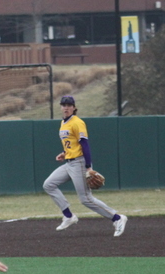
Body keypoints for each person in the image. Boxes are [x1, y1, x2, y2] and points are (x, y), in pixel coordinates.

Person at [43, 95, 127, 237]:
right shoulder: (64, 122)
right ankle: (69, 216)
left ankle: (117, 218)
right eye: (63, 105)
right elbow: (72, 143)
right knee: (49, 185)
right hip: (69, 162)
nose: (66, 107)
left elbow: (84, 144)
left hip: (79, 163)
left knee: (85, 199)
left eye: (69, 105)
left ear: (74, 107)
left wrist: (88, 167)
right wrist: (64, 153)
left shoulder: (77, 122)